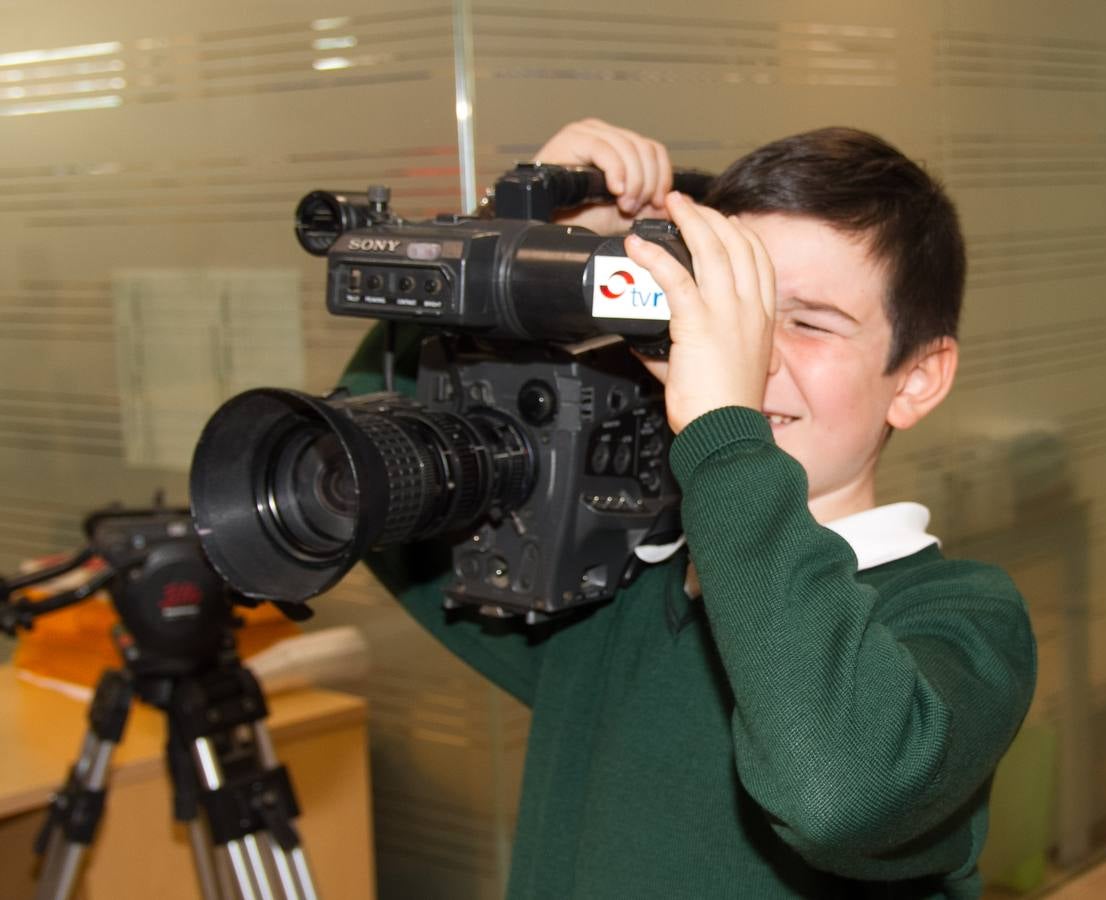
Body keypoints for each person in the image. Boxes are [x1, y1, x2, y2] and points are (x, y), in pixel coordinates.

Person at [341, 118, 1037, 898]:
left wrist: (723, 433)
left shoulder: (961, 621)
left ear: (915, 378)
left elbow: (839, 795)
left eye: (806, 322)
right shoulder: (612, 589)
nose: (746, 352)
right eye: (722, 307)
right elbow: (370, 464)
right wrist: (526, 246)